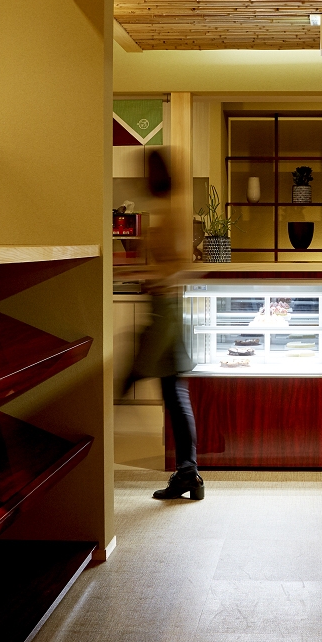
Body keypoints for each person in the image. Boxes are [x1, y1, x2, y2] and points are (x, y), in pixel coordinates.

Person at [128, 149, 205, 501]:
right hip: (166, 308)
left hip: (166, 310)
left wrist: (150, 276)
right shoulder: (169, 208)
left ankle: (189, 473)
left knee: (172, 393)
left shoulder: (170, 211)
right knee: (175, 394)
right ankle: (189, 474)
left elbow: (178, 266)